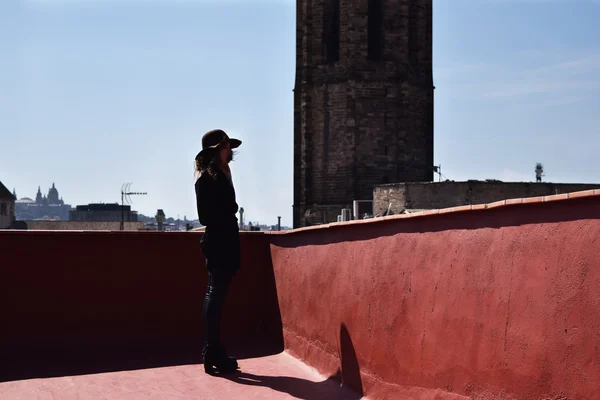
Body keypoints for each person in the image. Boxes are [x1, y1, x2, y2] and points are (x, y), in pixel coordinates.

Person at [194, 129, 242, 374]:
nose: (230, 150)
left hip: (225, 240)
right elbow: (206, 216)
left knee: (215, 295)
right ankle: (213, 350)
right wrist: (229, 211)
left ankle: (212, 350)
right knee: (214, 295)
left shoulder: (222, 174)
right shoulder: (207, 179)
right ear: (215, 151)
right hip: (219, 242)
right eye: (225, 146)